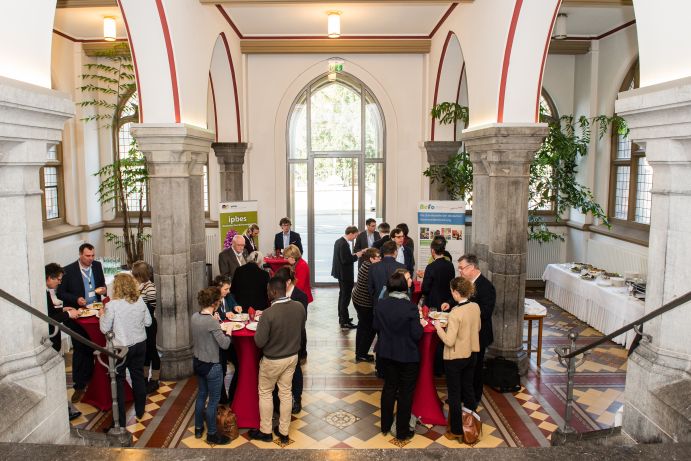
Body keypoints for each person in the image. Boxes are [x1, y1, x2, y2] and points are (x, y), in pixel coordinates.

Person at [250, 277, 307, 444]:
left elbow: (259, 342)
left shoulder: (268, 313)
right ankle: (283, 432)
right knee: (286, 393)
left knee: (266, 393)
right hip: (292, 357)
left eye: (268, 290)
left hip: (273, 360)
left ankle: (266, 431)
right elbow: (300, 328)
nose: (267, 293)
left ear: (274, 292)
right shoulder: (299, 307)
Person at [373, 269, 424, 442]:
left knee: (389, 388)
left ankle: (385, 425)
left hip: (386, 353)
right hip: (407, 355)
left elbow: (376, 326)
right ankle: (402, 431)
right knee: (405, 393)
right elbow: (417, 335)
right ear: (404, 287)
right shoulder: (410, 307)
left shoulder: (381, 304)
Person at [441, 254, 496, 402]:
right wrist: (449, 302)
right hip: (463, 335)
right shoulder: (466, 282)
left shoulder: (486, 286)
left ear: (472, 267)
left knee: (475, 369)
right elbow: (460, 298)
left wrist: (463, 314)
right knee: (464, 370)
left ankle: (473, 399)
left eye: (462, 268)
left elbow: (485, 312)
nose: (460, 271)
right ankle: (459, 396)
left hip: (478, 335)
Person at [99, 273, 151, 428]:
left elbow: (104, 329)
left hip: (121, 348)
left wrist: (102, 315)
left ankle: (120, 422)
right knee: (138, 377)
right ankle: (140, 411)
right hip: (140, 344)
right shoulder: (140, 301)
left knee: (118, 382)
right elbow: (148, 322)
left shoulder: (112, 305)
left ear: (117, 288)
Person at [57, 243, 107, 403]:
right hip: (78, 314)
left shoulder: (97, 266)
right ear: (80, 255)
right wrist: (76, 299)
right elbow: (61, 292)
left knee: (98, 346)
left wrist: (103, 290)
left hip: (96, 312)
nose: (91, 259)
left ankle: (97, 379)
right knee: (81, 348)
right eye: (87, 256)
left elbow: (102, 284)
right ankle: (80, 385)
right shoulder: (68, 270)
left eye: (92, 255)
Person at [434, 277, 481, 440]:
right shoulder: (475, 306)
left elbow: (449, 340)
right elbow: (478, 328)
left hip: (455, 358)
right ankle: (471, 424)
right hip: (472, 354)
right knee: (468, 389)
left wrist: (438, 328)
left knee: (454, 395)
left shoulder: (455, 313)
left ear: (455, 292)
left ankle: (456, 430)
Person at [191, 286, 232, 445]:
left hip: (198, 362)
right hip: (212, 366)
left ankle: (198, 428)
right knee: (213, 401)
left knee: (201, 395)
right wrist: (228, 331)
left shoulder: (195, 317)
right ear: (215, 302)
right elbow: (225, 345)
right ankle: (212, 434)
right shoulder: (212, 322)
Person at [45, 263, 82, 421]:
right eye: (58, 280)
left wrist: (63, 310)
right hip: (50, 340)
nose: (59, 282)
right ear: (49, 278)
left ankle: (65, 408)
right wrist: (68, 315)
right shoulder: (42, 293)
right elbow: (48, 318)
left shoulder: (47, 291)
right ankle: (64, 410)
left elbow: (51, 311)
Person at [273, 266, 308, 414]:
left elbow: (301, 320)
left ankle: (297, 398)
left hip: (296, 338)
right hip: (278, 338)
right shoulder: (277, 293)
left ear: (288, 282)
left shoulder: (300, 296)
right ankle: (279, 399)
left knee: (296, 370)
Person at [131, 261, 161, 394]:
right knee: (144, 351)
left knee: (151, 350)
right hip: (139, 323)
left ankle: (154, 379)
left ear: (140, 274)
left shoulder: (150, 287)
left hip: (149, 323)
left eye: (135, 274)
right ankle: (143, 377)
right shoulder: (138, 285)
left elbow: (151, 307)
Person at [212, 275, 239, 405]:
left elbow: (233, 303)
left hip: (228, 339)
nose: (228, 291)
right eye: (226, 289)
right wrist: (224, 315)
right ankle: (222, 399)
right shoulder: (212, 301)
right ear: (218, 289)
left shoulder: (228, 297)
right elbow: (215, 315)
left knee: (238, 364)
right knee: (221, 370)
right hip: (218, 341)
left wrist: (236, 307)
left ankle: (233, 394)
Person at [331, 226, 364, 330]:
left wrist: (353, 254)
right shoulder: (344, 244)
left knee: (342, 296)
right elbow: (345, 260)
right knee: (345, 298)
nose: (355, 238)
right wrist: (357, 256)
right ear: (350, 233)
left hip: (340, 274)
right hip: (345, 275)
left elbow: (343, 257)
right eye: (355, 235)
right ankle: (344, 322)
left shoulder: (338, 241)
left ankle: (342, 317)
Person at [351, 248, 381, 362]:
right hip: (365, 303)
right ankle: (362, 354)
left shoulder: (365, 264)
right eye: (377, 258)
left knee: (362, 326)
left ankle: (359, 351)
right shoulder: (371, 269)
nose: (380, 259)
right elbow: (373, 289)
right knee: (370, 329)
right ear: (371, 258)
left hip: (357, 299)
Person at [420, 238, 456, 309]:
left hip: (433, 303)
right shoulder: (450, 265)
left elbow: (425, 289)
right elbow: (452, 283)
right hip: (447, 302)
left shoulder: (430, 267)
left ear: (433, 251)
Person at [368, 240, 405, 307]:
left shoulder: (373, 267)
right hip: (397, 306)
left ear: (383, 253)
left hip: (378, 305)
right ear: (395, 252)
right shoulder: (402, 267)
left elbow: (370, 289)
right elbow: (406, 289)